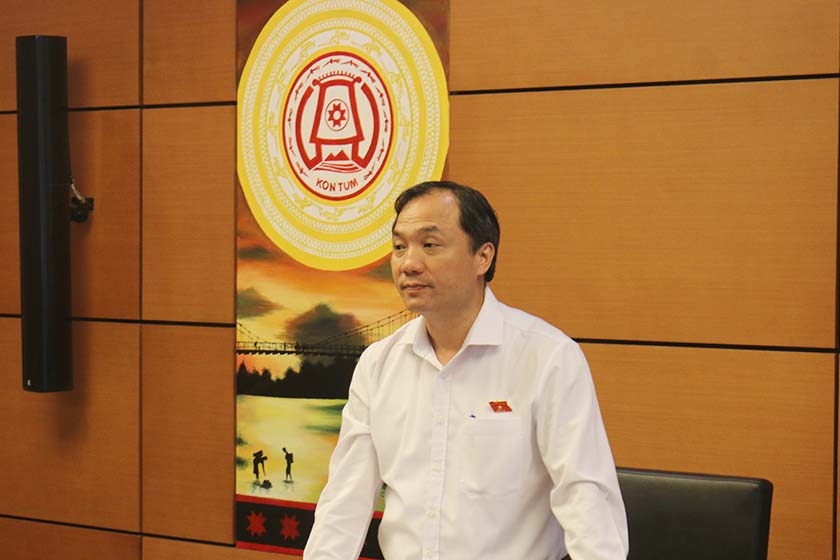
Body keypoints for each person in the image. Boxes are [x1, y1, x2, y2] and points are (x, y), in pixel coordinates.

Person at [304, 181, 628, 559]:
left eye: (430, 245)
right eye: (399, 247)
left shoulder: (548, 358)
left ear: (483, 257)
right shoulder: (378, 363)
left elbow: (586, 498)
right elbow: (344, 503)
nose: (408, 263)